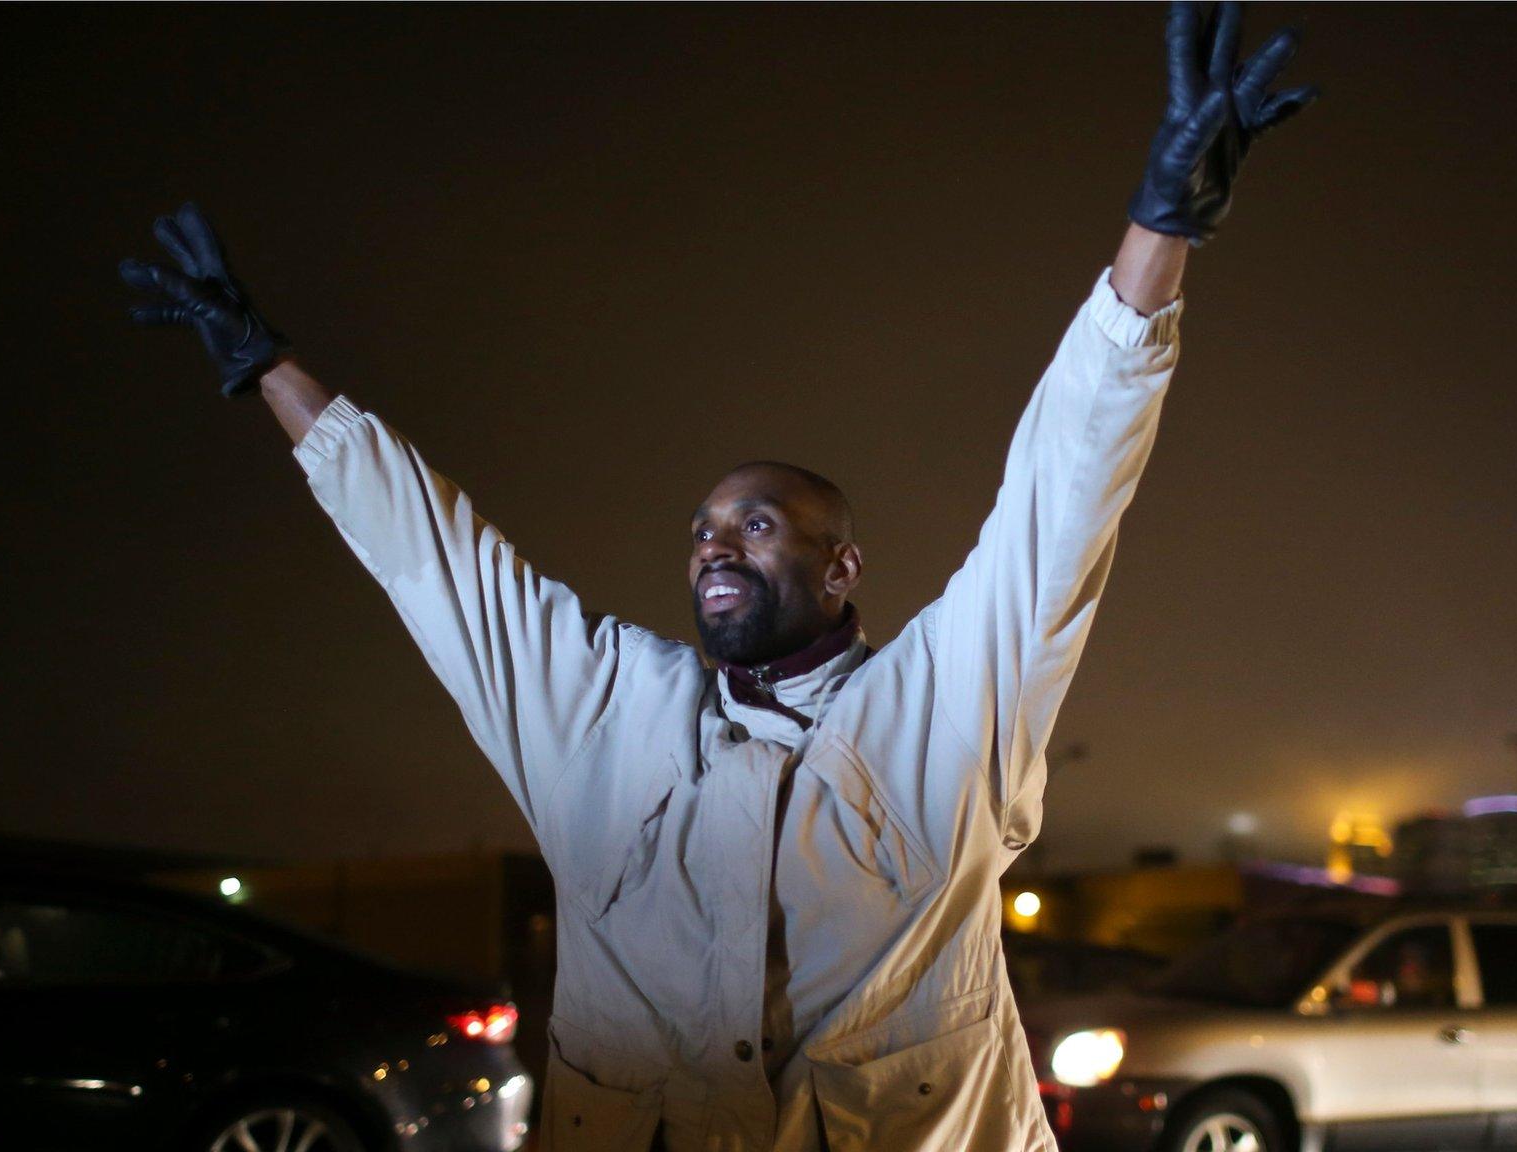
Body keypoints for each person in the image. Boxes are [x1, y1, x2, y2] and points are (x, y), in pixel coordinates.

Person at [119, 5, 1314, 1149]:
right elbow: (436, 560)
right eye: (699, 528)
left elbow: (1060, 500)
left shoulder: (948, 713)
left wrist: (1157, 229)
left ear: (841, 566)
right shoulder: (598, 716)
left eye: (753, 524)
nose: (712, 543)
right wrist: (263, 365)